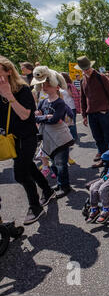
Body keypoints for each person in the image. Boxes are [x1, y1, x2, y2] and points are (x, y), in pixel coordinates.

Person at [0, 56, 55, 225]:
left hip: (27, 137)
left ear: (8, 72)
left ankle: (35, 206)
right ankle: (47, 189)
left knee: (20, 174)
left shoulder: (23, 90)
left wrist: (8, 95)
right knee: (29, 167)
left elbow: (25, 115)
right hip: (10, 139)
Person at [34, 69, 74, 198]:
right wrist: (45, 117)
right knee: (53, 164)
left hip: (61, 138)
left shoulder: (60, 103)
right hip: (49, 139)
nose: (44, 87)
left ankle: (65, 186)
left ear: (57, 87)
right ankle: (60, 183)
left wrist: (43, 117)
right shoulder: (42, 102)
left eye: (48, 85)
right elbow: (36, 117)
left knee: (61, 164)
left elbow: (55, 119)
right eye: (43, 85)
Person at [77, 56, 109, 168]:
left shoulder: (101, 77)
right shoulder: (82, 81)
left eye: (88, 68)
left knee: (108, 136)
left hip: (104, 112)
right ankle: (104, 159)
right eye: (84, 69)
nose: (86, 70)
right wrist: (84, 115)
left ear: (91, 66)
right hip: (91, 113)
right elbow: (83, 99)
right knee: (97, 137)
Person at [61, 72, 79, 143]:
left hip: (71, 107)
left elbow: (75, 96)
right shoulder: (59, 86)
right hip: (63, 107)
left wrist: (68, 91)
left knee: (72, 123)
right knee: (66, 123)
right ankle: (69, 138)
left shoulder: (70, 86)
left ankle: (74, 137)